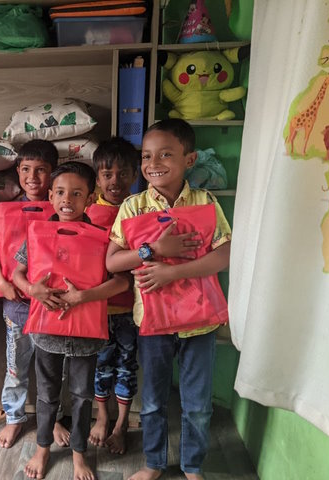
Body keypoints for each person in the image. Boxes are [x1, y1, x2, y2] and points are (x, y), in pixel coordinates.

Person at [106, 119, 231, 480]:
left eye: (165, 154)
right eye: (146, 155)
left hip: (199, 320)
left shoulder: (205, 202)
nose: (153, 162)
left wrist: (172, 272)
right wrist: (154, 250)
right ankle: (153, 464)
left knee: (197, 405)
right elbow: (113, 261)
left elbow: (224, 255)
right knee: (153, 401)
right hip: (153, 321)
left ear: (189, 160)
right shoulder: (133, 206)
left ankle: (193, 466)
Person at [13, 161, 130, 480]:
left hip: (86, 334)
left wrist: (83, 296)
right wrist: (32, 289)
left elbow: (122, 281)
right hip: (46, 331)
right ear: (50, 196)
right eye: (61, 192)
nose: (68, 199)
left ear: (90, 199)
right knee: (47, 394)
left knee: (82, 397)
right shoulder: (37, 234)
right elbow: (17, 272)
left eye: (77, 193)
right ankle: (43, 448)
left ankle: (80, 454)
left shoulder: (101, 237)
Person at [0, 140, 70, 449]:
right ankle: (14, 417)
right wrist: (0, 279)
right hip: (17, 304)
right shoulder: (5, 210)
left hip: (53, 304)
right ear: (17, 171)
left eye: (41, 170)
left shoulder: (65, 209)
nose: (33, 177)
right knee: (16, 366)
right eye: (26, 169)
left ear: (53, 173)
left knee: (54, 371)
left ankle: (52, 420)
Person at [87, 138, 140, 454]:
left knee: (127, 367)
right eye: (107, 175)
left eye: (123, 174)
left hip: (133, 310)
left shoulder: (141, 211)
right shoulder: (89, 214)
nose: (115, 182)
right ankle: (102, 417)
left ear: (135, 174)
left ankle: (121, 424)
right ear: (97, 178)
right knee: (101, 366)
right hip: (98, 309)